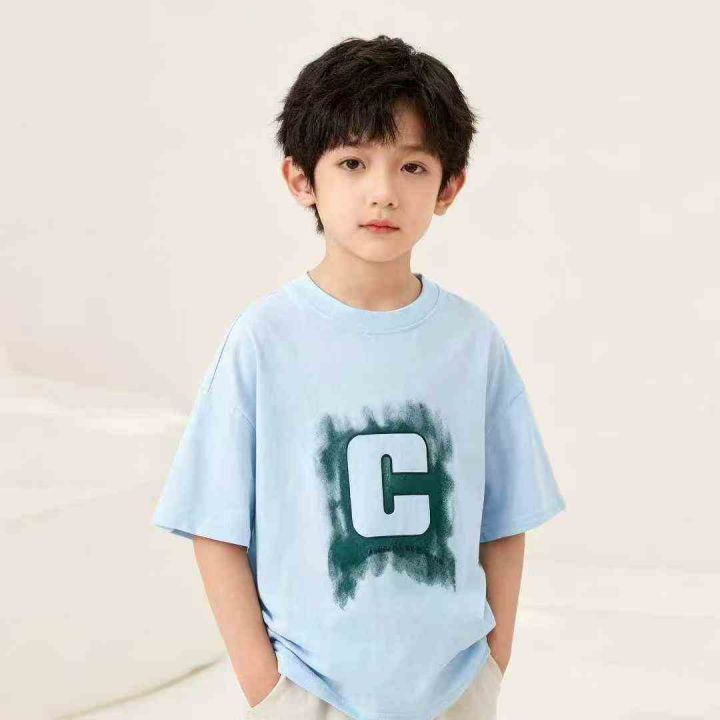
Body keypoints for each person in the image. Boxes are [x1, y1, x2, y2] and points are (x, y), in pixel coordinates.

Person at [152, 34, 567, 720]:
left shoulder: (472, 342)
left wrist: (492, 664)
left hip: (456, 687)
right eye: (352, 162)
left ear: (449, 187)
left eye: (413, 166)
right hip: (309, 689)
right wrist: (269, 689)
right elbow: (213, 526)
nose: (383, 192)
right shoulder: (265, 340)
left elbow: (505, 519)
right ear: (301, 180)